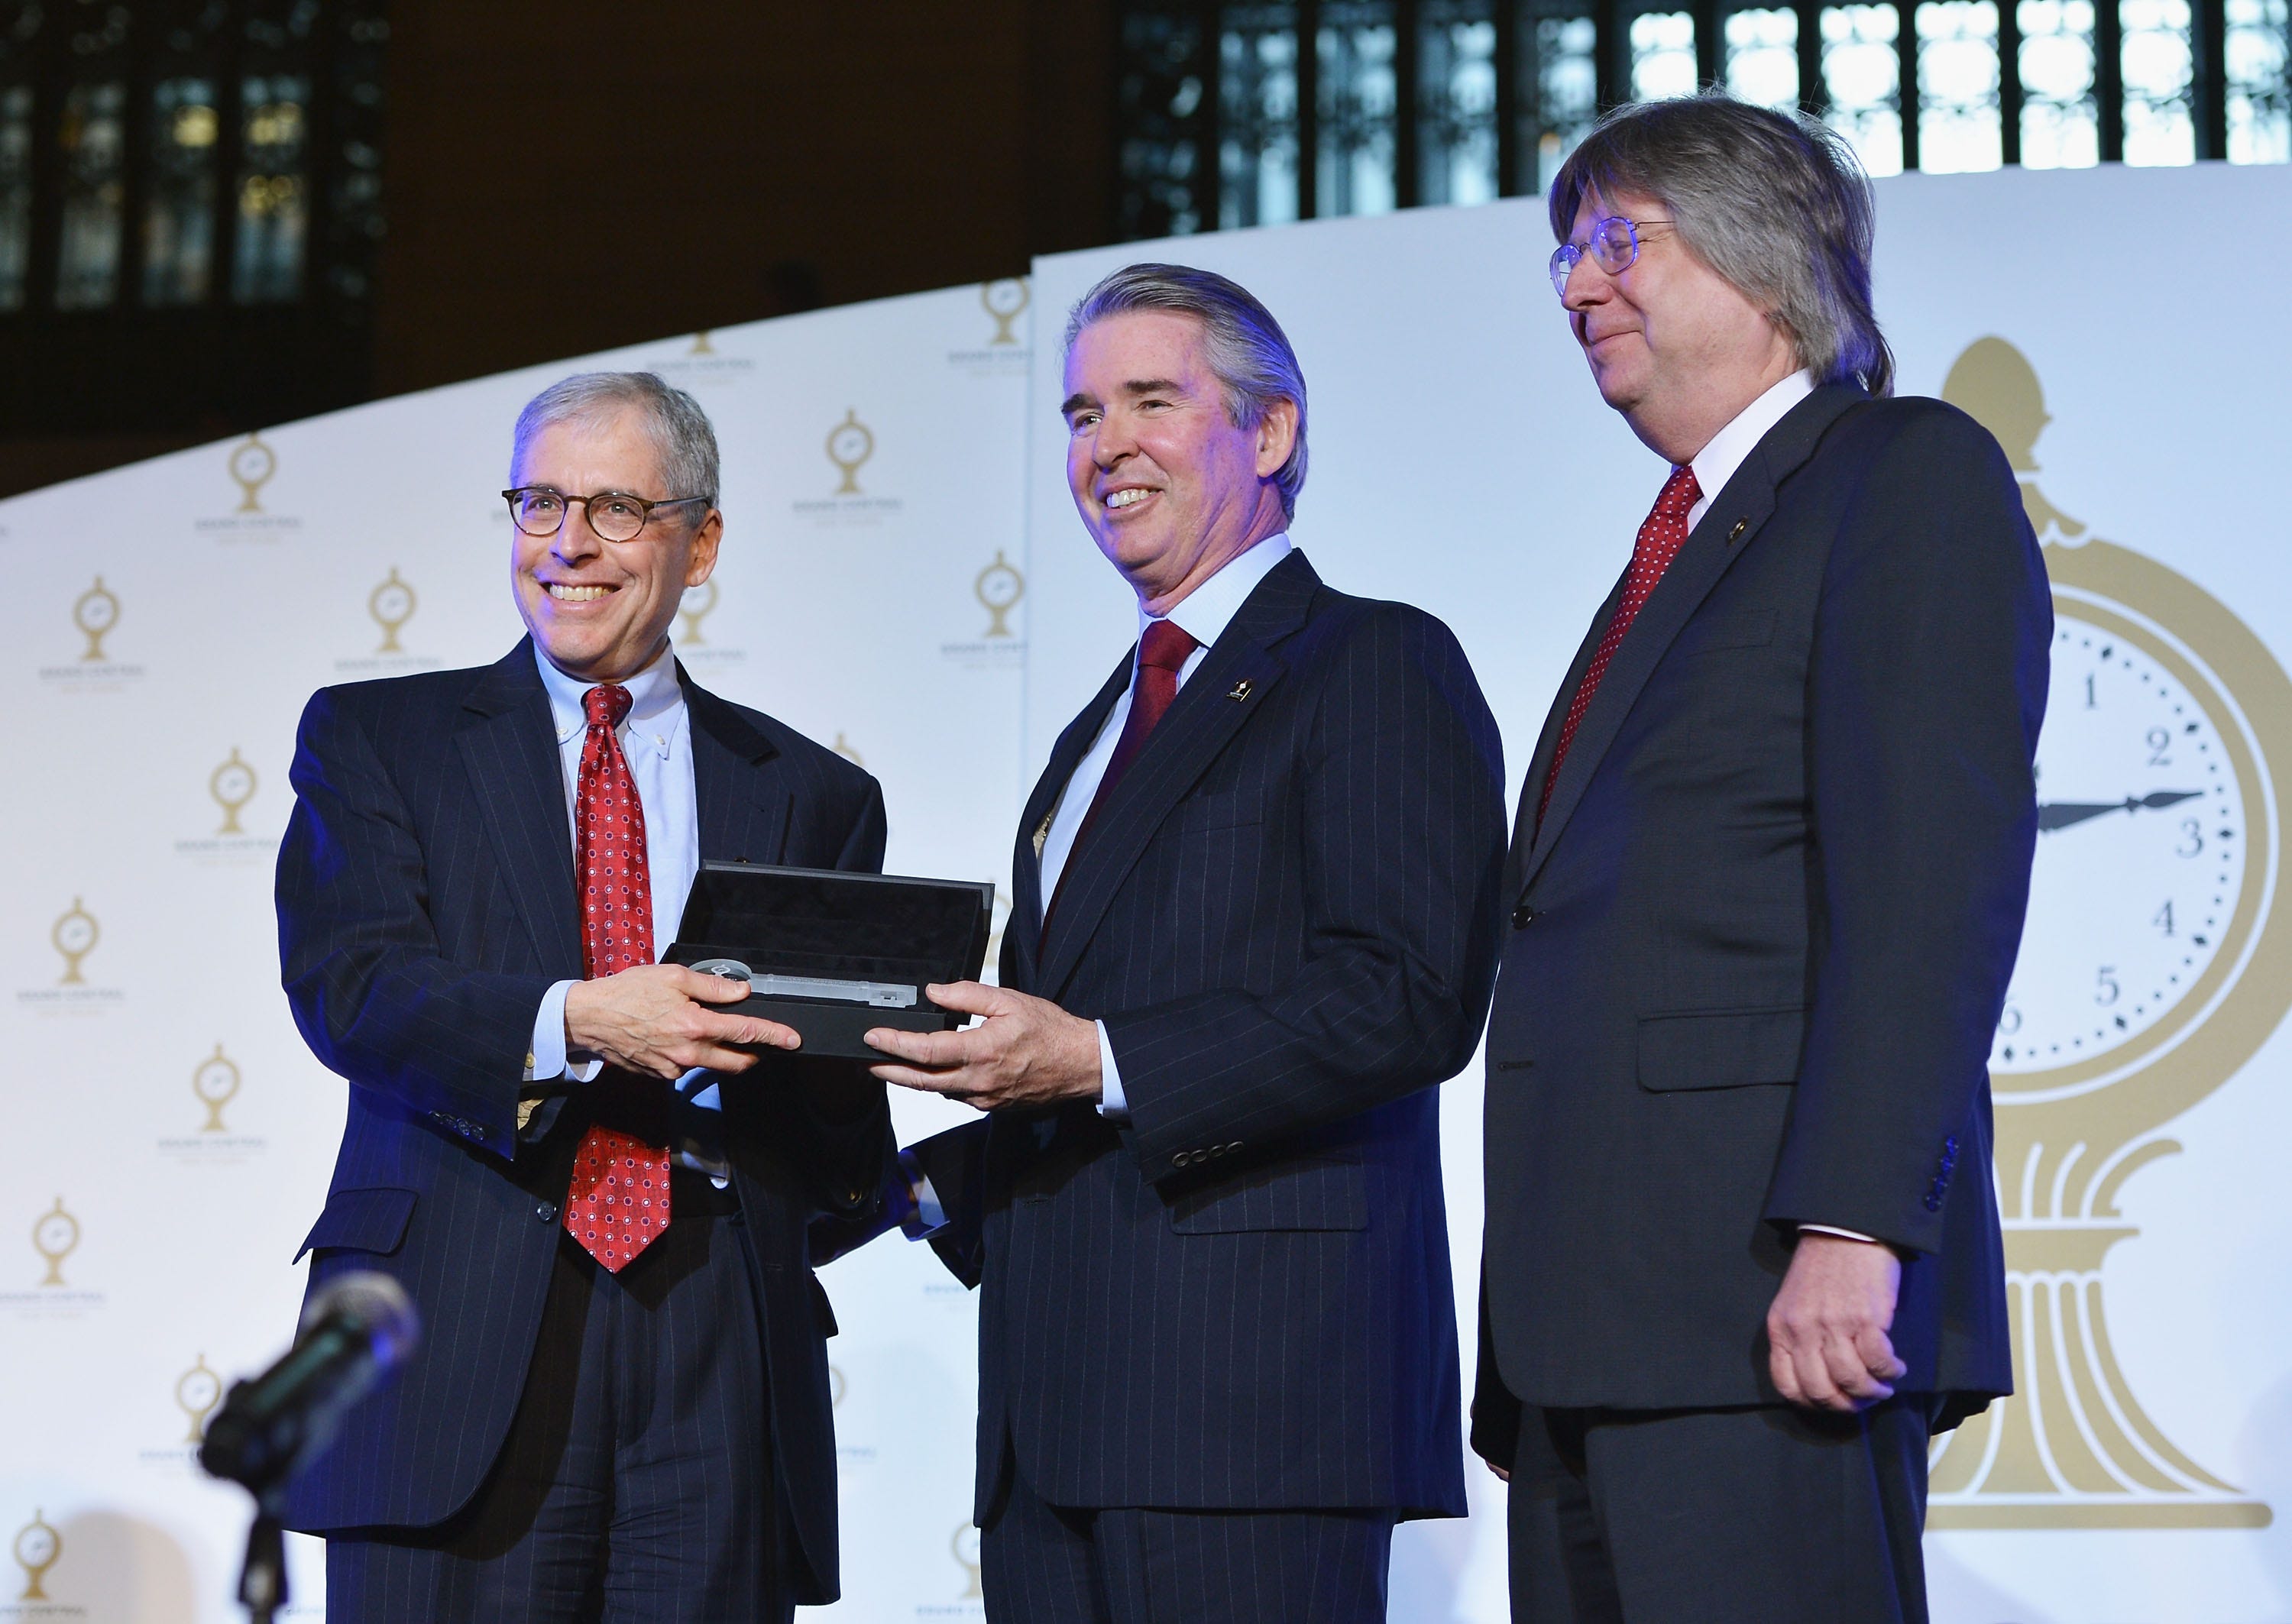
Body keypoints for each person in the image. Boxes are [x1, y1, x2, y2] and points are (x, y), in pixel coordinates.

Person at [860, 264, 1508, 1623]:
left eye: (1154, 400)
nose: (1107, 447)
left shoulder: (1375, 662)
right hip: (1052, 1426)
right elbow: (1067, 1064)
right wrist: (879, 1184)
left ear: (1269, 434)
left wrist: (1093, 1056)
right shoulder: (1085, 739)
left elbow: (1406, 998)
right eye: (1083, 413)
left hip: (1257, 1411)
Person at [1471, 94, 2048, 1622]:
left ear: (1768, 266)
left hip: (1769, 1309)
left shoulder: (1898, 474)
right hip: (1596, 1326)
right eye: (1563, 258)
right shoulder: (1683, 543)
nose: (1578, 286)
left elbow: (1931, 881)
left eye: (1616, 243)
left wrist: (1856, 1222)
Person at [274, 371, 892, 1620]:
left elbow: (830, 1110)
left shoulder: (812, 793)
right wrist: (580, 1019)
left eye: (614, 506)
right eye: (539, 500)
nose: (567, 544)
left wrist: (887, 1042)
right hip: (453, 1322)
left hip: (717, 1335)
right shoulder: (380, 738)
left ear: (700, 542)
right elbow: (356, 987)